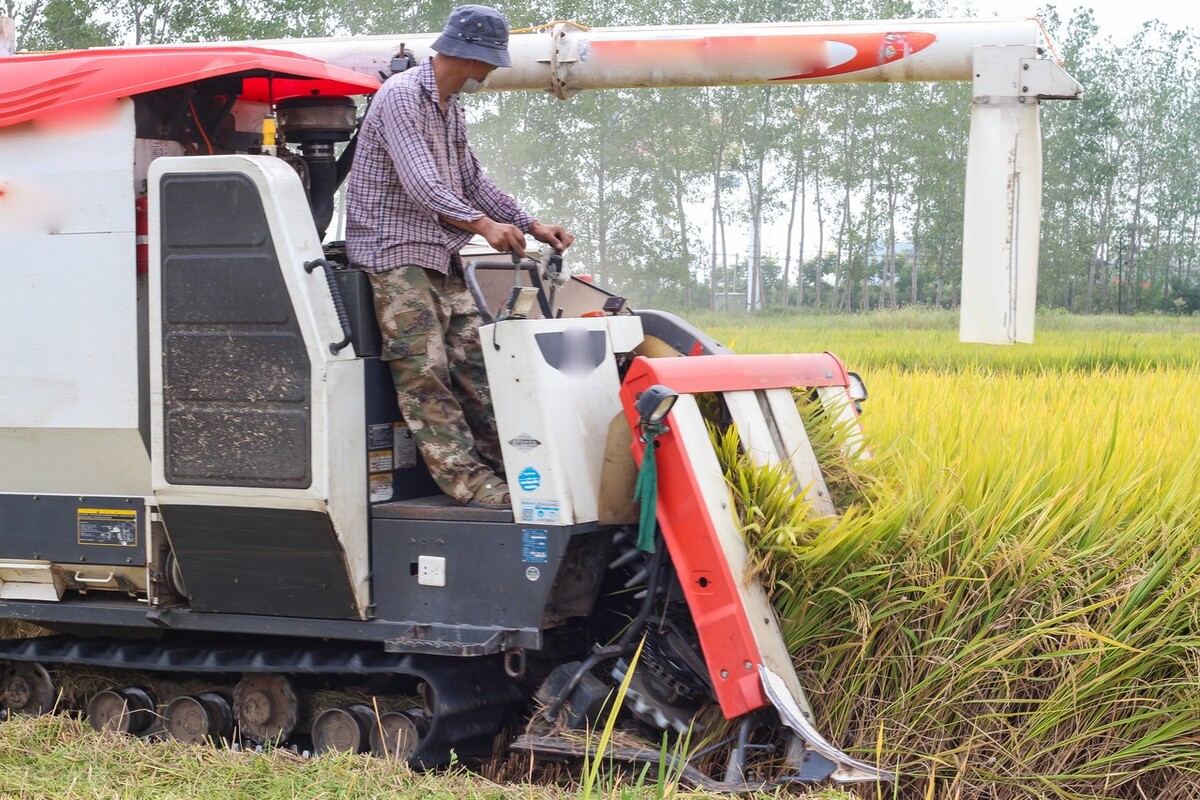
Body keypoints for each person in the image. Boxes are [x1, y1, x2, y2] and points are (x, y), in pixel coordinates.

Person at [345, 5, 574, 508]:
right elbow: (424, 186)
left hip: (439, 252)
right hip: (395, 254)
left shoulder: (449, 108)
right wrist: (484, 226)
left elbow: (472, 182)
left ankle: (515, 467)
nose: (493, 70)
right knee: (424, 371)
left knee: (477, 361)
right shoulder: (402, 98)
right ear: (470, 56)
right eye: (490, 60)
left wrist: (532, 224)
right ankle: (471, 483)